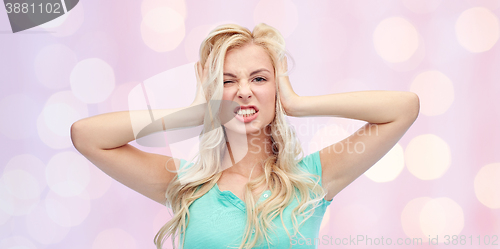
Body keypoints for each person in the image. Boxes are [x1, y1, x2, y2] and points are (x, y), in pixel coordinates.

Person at [71, 23, 419, 249]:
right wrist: (195, 113)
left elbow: (403, 107)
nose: (243, 92)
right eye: (227, 81)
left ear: (277, 87)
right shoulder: (188, 184)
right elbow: (86, 135)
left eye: (259, 79)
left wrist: (296, 103)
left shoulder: (312, 179)